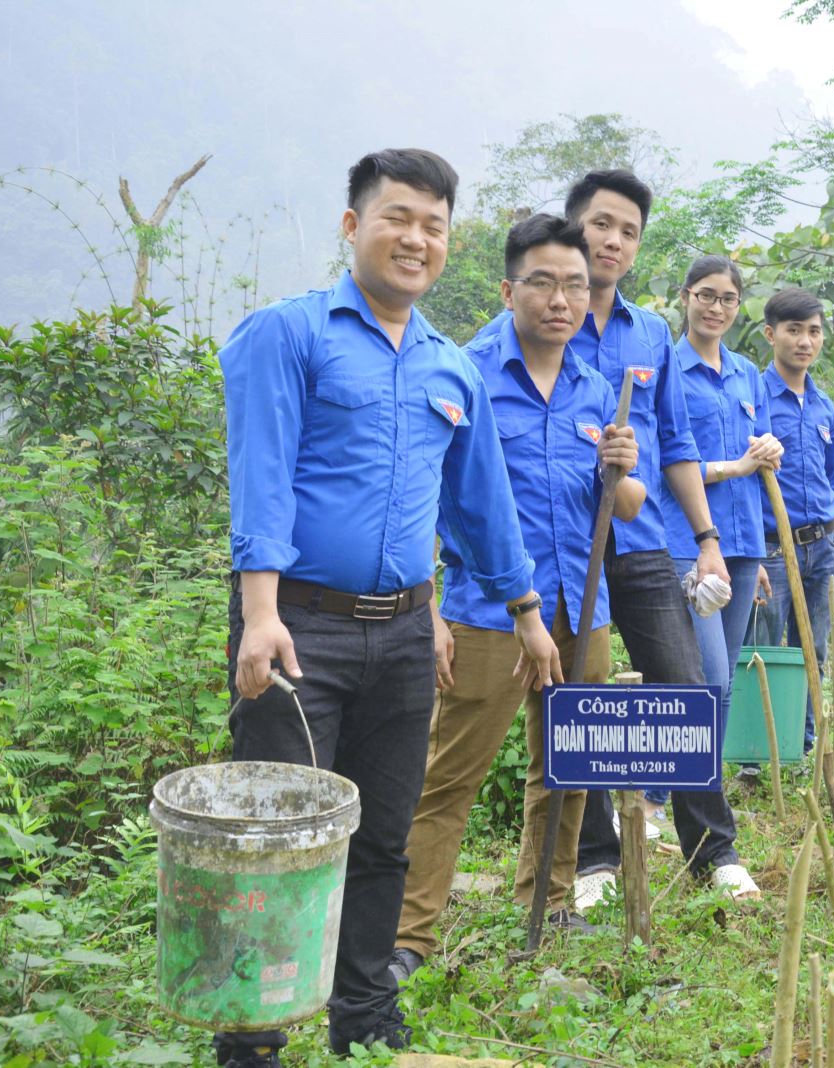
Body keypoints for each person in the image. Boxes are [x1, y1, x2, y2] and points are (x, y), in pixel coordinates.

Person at [216, 149, 558, 1068]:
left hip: (408, 633)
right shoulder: (288, 335)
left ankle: (365, 1020)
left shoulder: (452, 367)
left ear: (449, 240)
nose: (415, 238)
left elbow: (482, 502)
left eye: (433, 224)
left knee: (382, 835)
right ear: (352, 226)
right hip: (299, 626)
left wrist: (525, 608)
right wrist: (259, 614)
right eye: (396, 217)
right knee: (280, 838)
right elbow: (262, 478)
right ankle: (253, 1035)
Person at [390, 214, 644, 985]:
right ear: (509, 290)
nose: (562, 299)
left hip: (582, 607)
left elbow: (628, 506)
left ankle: (552, 901)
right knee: (451, 774)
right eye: (543, 282)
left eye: (576, 284)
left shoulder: (596, 388)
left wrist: (621, 469)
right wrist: (428, 607)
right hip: (488, 609)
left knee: (568, 767)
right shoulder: (462, 374)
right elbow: (422, 498)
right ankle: (409, 935)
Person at [517, 169, 751, 906]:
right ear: (573, 227)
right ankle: (592, 860)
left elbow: (675, 443)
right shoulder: (531, 317)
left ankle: (714, 849)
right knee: (574, 701)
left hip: (643, 538)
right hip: (560, 548)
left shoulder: (649, 332)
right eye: (601, 225)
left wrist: (707, 536)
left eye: (629, 232)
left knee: (685, 689)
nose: (614, 241)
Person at [645, 255, 782, 893]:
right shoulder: (667, 370)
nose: (717, 308)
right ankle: (673, 808)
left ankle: (669, 790)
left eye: (728, 299)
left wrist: (766, 452)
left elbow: (757, 452)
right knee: (707, 682)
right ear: (685, 297)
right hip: (683, 545)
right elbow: (666, 463)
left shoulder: (749, 374)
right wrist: (733, 466)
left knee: (715, 684)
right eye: (706, 296)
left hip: (743, 545)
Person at [749, 287, 834, 756]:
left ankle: (805, 744)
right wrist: (752, 553)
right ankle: (759, 752)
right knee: (764, 651)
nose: (805, 341)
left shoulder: (823, 405)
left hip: (824, 547)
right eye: (794, 330)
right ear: (770, 333)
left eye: (814, 332)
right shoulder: (752, 396)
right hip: (773, 549)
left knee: (812, 650)